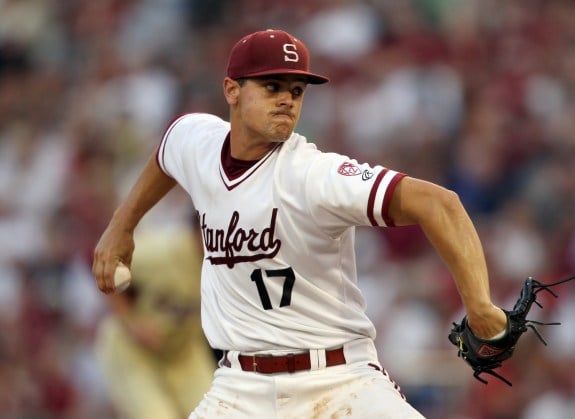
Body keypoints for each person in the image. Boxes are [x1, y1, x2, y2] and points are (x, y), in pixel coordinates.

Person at [93, 29, 507, 418]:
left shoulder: (313, 175)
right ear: (232, 90)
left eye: (296, 90)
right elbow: (168, 152)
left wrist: (480, 306)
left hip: (338, 379)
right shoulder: (196, 140)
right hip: (240, 386)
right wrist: (122, 226)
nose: (287, 100)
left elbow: (439, 203)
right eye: (272, 86)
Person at [95, 226, 216, 419]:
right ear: (200, 229)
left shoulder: (229, 264)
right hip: (135, 351)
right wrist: (132, 322)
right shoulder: (164, 252)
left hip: (184, 352)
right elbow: (107, 265)